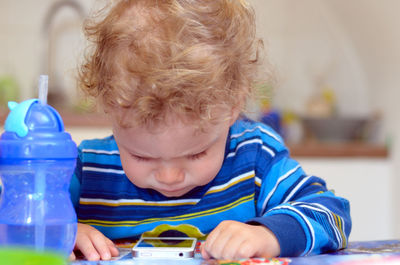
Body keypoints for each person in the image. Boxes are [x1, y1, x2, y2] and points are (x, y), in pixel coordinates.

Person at [69, 0, 351, 261]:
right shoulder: (86, 171)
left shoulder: (255, 159)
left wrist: (267, 234)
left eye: (196, 154)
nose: (170, 177)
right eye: (142, 156)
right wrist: (58, 232)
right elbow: (26, 217)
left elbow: (332, 216)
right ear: (110, 110)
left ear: (233, 105)